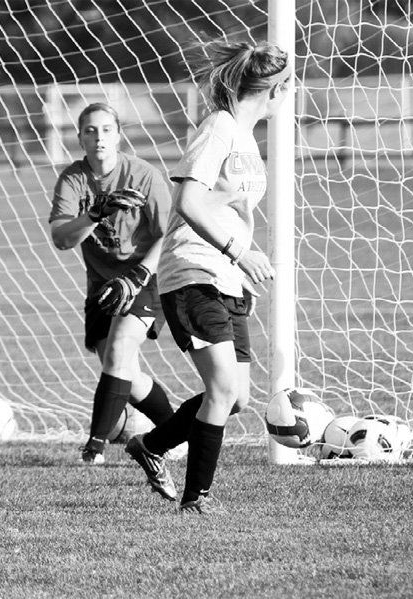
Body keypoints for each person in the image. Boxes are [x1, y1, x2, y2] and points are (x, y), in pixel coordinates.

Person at [125, 39, 292, 513]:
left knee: (236, 397)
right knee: (220, 390)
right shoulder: (218, 127)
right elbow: (188, 202)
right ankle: (197, 500)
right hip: (193, 269)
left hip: (227, 278)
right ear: (276, 91)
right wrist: (239, 251)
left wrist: (241, 269)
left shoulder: (247, 141)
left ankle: (151, 445)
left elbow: (230, 208)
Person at [49, 102, 176, 464]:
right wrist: (95, 213)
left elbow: (170, 235)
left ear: (118, 135)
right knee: (124, 373)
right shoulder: (73, 179)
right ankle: (178, 431)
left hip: (146, 279)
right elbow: (61, 239)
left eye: (106, 129)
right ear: (80, 138)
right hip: (101, 287)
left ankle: (94, 448)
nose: (98, 137)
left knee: (120, 350)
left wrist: (138, 276)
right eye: (90, 130)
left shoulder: (144, 175)